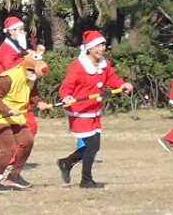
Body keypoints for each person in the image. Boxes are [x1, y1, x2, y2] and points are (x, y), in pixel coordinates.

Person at [56, 31, 132, 189]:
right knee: (92, 146)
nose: (101, 49)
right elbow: (66, 86)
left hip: (94, 110)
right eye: (97, 46)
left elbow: (112, 78)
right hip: (80, 111)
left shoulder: (105, 63)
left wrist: (122, 85)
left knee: (94, 145)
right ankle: (86, 180)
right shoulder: (78, 66)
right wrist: (66, 97)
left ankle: (66, 163)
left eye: (103, 45)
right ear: (89, 48)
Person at [0, 50, 51, 188]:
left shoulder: (32, 77)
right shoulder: (7, 78)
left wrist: (39, 102)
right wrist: (7, 110)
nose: (36, 78)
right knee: (8, 148)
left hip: (16, 115)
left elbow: (33, 93)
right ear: (28, 67)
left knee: (27, 141)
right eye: (35, 74)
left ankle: (14, 176)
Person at [0, 16, 45, 137]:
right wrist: (31, 59)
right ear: (11, 31)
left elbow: (29, 78)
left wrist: (37, 100)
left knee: (30, 129)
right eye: (21, 29)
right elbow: (12, 70)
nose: (24, 32)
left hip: (22, 98)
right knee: (25, 133)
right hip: (11, 100)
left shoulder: (20, 50)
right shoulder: (6, 49)